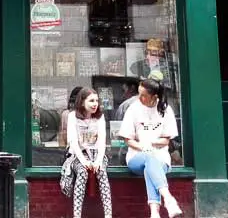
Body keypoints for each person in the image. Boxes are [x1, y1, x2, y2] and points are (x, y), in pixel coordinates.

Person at [118, 71, 181, 218]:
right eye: (139, 93)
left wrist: (151, 143)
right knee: (148, 159)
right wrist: (143, 147)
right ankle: (168, 198)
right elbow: (128, 139)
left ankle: (154, 213)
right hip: (136, 157)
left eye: (143, 95)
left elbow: (166, 140)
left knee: (150, 168)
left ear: (155, 97)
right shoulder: (133, 108)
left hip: (161, 157)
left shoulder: (166, 110)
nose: (139, 98)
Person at [67, 88, 112, 218]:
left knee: (102, 171)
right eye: (91, 101)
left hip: (97, 153)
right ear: (82, 102)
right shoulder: (72, 117)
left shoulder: (100, 117)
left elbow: (102, 141)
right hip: (78, 154)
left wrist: (98, 160)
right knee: (82, 172)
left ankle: (108, 215)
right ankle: (77, 215)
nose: (95, 104)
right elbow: (74, 143)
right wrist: (84, 161)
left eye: (97, 101)